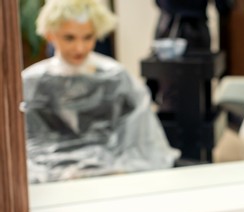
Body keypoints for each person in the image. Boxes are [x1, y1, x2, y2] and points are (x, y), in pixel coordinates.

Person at [21, 0, 180, 184]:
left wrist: (117, 170)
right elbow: (26, 148)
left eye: (88, 37)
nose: (80, 48)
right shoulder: (31, 83)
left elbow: (142, 139)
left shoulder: (116, 77)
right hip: (49, 182)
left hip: (110, 178)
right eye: (69, 38)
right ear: (50, 35)